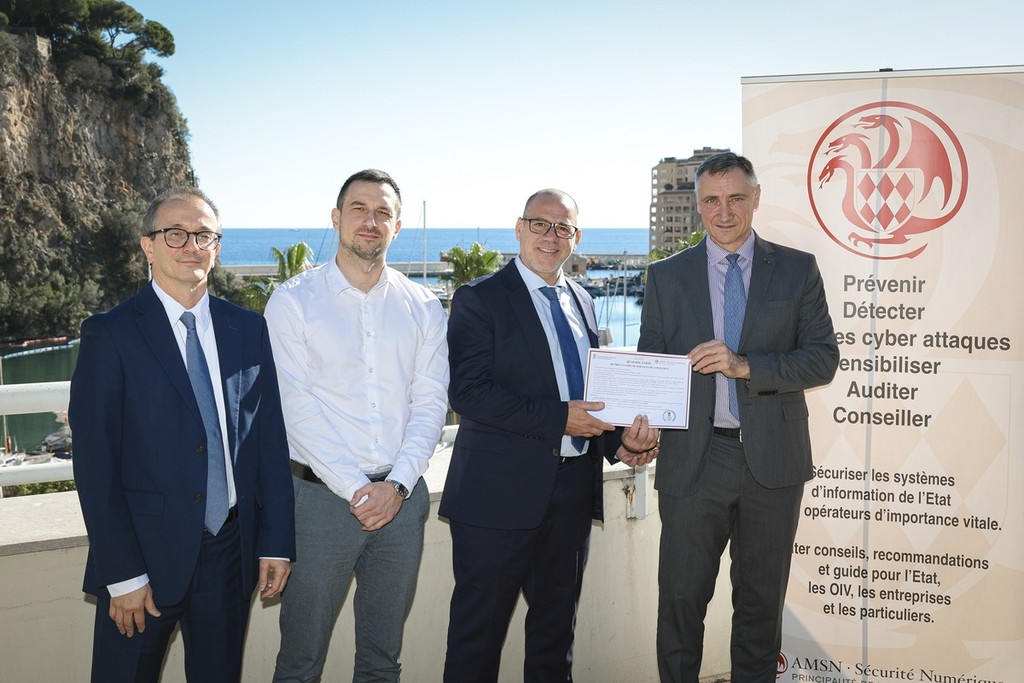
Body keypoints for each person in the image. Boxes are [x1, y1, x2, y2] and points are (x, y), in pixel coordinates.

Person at [69, 186, 296, 683]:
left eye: (203, 235)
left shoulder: (247, 329)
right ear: (148, 246)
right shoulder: (110, 334)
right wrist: (122, 575)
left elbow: (268, 442)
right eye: (175, 234)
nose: (191, 245)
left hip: (230, 553)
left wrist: (275, 542)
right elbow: (94, 465)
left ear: (217, 248)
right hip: (142, 560)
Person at [440, 188, 660, 682]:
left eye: (563, 227)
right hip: (496, 498)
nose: (551, 236)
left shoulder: (582, 299)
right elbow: (468, 393)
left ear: (576, 239)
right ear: (519, 229)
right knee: (477, 642)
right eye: (540, 224)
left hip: (571, 494)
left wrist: (619, 443)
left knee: (555, 639)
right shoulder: (480, 298)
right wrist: (560, 419)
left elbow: (588, 396)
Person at [638, 152, 840, 682]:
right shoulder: (665, 276)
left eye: (735, 198)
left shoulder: (796, 269)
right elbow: (650, 366)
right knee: (680, 605)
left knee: (760, 609)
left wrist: (744, 365)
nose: (723, 211)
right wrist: (637, 426)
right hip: (693, 462)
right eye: (712, 200)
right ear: (697, 204)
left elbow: (822, 359)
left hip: (772, 463)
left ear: (756, 198)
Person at [267, 169, 449, 682]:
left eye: (383, 212)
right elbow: (294, 408)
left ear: (397, 226)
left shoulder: (423, 305)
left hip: (402, 501)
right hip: (319, 503)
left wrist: (397, 486)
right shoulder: (293, 301)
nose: (371, 221)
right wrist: (357, 490)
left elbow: (430, 402)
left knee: (382, 659)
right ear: (336, 218)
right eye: (359, 209)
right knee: (300, 661)